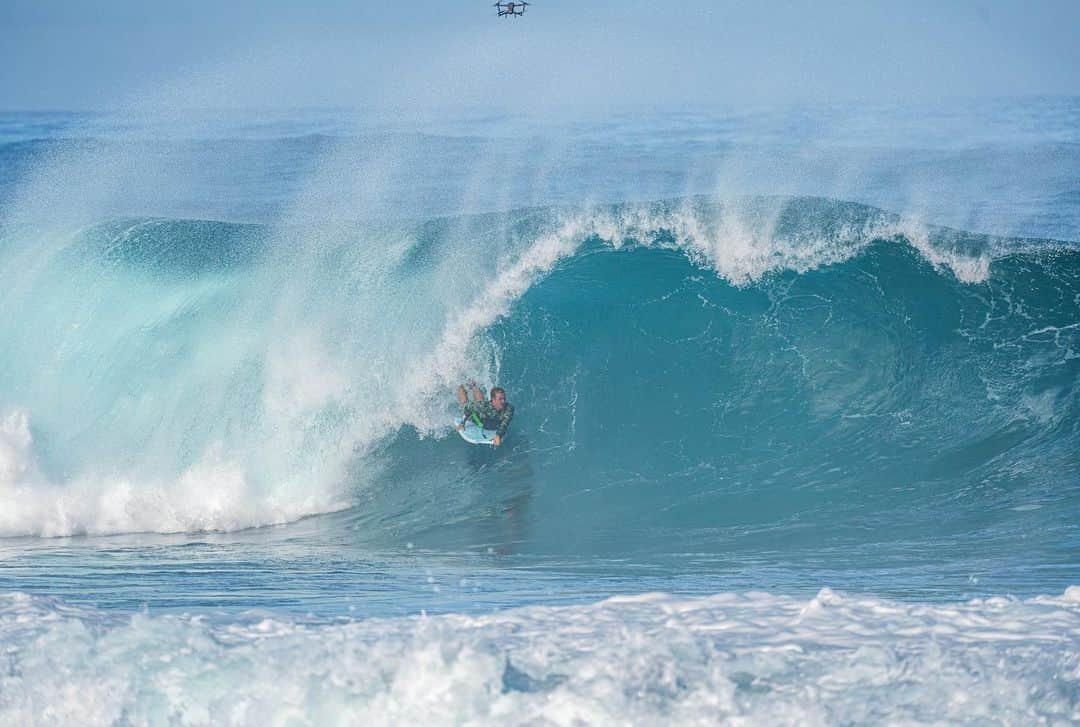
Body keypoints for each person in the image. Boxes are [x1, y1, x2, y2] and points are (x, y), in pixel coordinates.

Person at [456, 381, 514, 447]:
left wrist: (498, 435)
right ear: (493, 399)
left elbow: (505, 423)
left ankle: (473, 385)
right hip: (477, 419)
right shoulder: (484, 407)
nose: (503, 401)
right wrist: (462, 423)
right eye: (500, 399)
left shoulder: (509, 408)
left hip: (486, 416)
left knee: (480, 402)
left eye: (504, 398)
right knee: (465, 403)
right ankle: (460, 384)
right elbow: (468, 408)